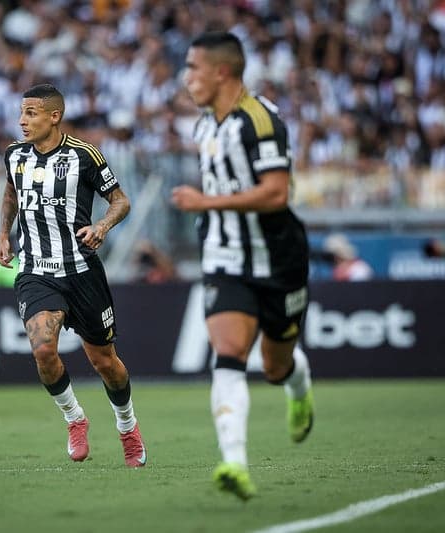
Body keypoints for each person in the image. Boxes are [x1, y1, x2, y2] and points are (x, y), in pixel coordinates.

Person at [171, 32, 314, 500]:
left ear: (222, 72)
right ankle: (234, 464)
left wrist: (206, 202)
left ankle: (298, 385)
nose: (186, 78)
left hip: (277, 258)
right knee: (228, 354)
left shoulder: (260, 120)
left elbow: (276, 193)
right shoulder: (205, 126)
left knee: (275, 366)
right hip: (224, 258)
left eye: (193, 68)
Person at [0, 83, 147, 467]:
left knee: (105, 362)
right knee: (43, 348)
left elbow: (121, 200)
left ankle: (127, 427)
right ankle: (74, 419)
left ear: (54, 116)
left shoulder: (84, 156)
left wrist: (102, 226)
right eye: (22, 113)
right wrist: (2, 235)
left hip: (82, 271)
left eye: (30, 113)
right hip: (35, 270)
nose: (22, 121)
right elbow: (11, 194)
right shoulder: (14, 155)